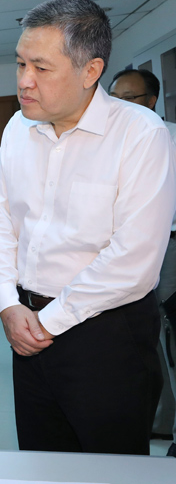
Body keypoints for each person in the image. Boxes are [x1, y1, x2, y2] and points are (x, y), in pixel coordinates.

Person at [0, 0, 176, 455]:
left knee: (110, 466)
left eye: (41, 68)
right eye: (20, 64)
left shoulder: (141, 134)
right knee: (42, 460)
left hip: (106, 335)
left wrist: (47, 323)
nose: (24, 81)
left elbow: (133, 261)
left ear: (91, 71)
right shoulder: (17, 129)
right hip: (26, 325)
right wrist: (8, 305)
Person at [109, 68, 176, 457]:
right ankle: (160, 419)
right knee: (144, 336)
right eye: (114, 96)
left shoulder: (169, 136)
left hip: (168, 246)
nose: (119, 104)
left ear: (151, 101)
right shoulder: (108, 141)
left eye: (129, 97)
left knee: (169, 335)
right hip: (121, 249)